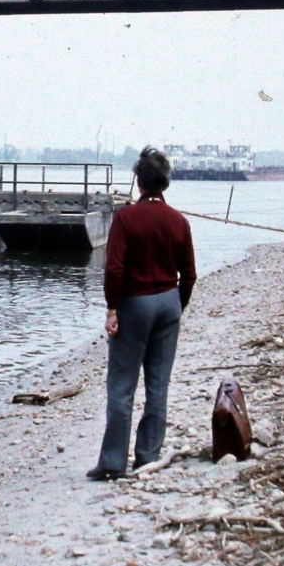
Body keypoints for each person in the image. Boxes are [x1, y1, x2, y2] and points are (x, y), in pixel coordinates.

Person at [90, 146, 196, 480]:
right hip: (168, 301)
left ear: (138, 182)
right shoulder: (178, 220)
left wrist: (111, 307)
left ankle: (112, 462)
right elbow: (189, 273)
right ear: (165, 183)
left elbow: (114, 267)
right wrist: (178, 304)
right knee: (158, 383)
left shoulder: (125, 217)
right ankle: (148, 455)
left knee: (122, 384)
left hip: (135, 303)